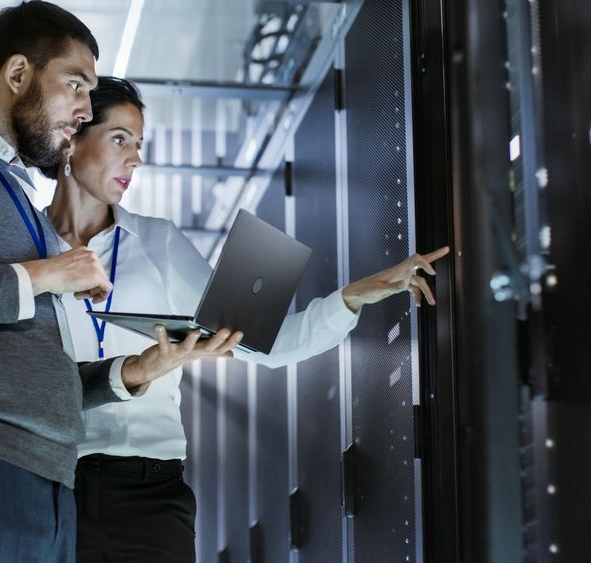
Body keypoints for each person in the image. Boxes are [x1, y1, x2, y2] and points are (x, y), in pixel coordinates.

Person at [0, 4, 241, 562]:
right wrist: (47, 273)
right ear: (17, 76)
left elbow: (35, 371)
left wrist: (136, 372)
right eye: (75, 85)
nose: (84, 109)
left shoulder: (21, 204)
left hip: (52, 483)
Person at [42, 76, 450, 562]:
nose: (136, 159)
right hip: (48, 484)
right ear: (72, 138)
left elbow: (265, 344)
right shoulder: (24, 246)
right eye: (119, 140)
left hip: (147, 491)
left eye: (139, 144)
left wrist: (352, 298)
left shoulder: (159, 242)